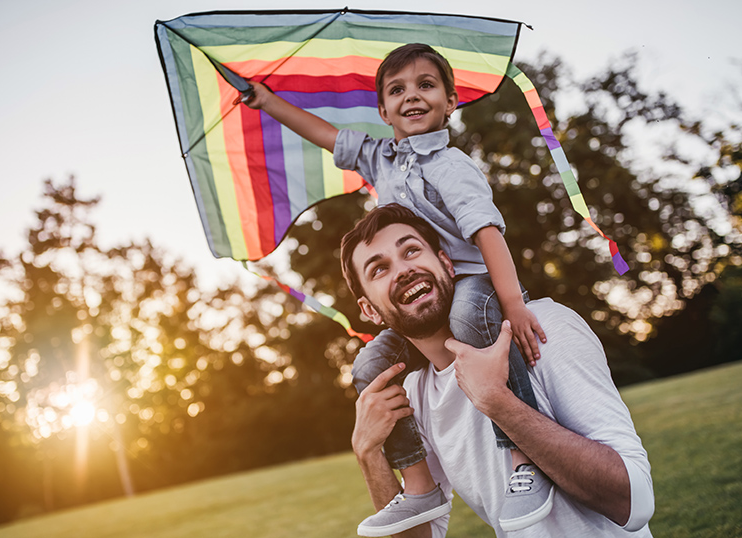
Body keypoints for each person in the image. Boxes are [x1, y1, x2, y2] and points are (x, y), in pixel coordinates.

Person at [242, 43, 550, 535]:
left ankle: (523, 458)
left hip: (471, 284)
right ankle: (420, 486)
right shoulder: (379, 158)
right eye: (397, 89)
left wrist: (512, 303)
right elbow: (325, 135)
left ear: (451, 101)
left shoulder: (451, 166)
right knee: (368, 365)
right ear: (382, 109)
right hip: (421, 301)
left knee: (470, 318)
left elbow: (488, 233)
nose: (412, 96)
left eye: (426, 85)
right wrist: (267, 102)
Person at [340, 204, 655, 537]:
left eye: (411, 251)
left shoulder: (542, 330)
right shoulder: (413, 395)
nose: (403, 270)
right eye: (379, 269)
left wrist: (498, 401)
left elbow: (634, 503)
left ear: (446, 263)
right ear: (369, 310)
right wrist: (368, 453)